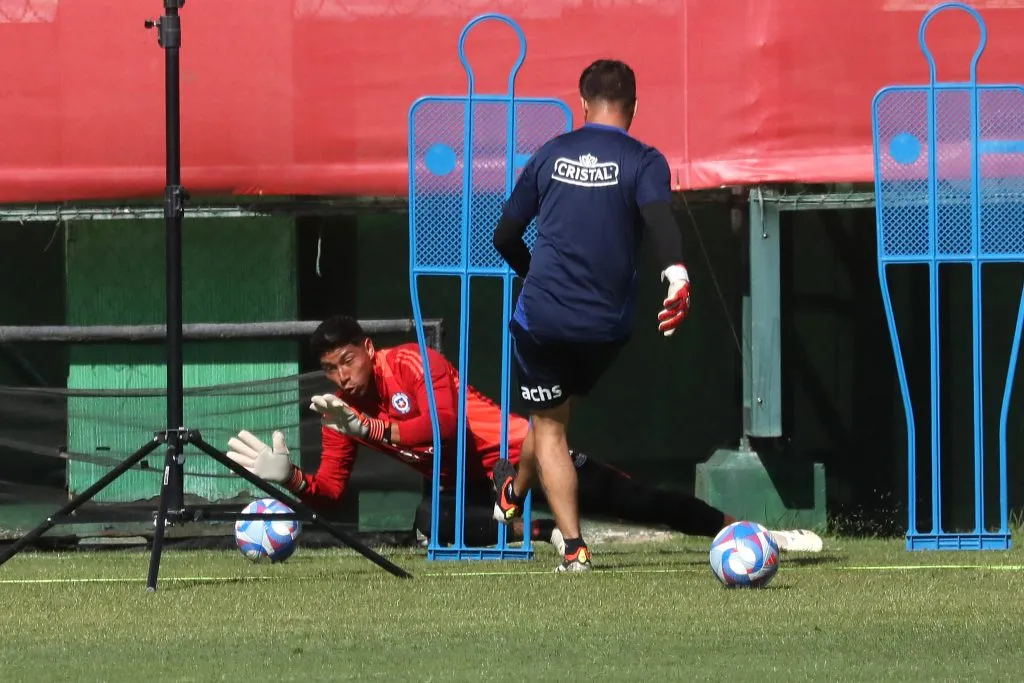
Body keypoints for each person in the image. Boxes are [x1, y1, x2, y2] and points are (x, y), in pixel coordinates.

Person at [226, 316, 823, 557]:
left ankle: (751, 534)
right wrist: (292, 482)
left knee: (642, 499)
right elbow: (330, 489)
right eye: (330, 368)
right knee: (435, 519)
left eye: (348, 360)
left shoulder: (409, 363)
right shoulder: (341, 412)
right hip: (473, 485)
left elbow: (442, 425)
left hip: (525, 454)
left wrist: (367, 425)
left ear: (369, 350)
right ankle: (558, 537)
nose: (342, 375)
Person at [490, 59, 693, 571]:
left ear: (582, 103)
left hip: (544, 319)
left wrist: (532, 272)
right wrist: (676, 273)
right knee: (552, 415)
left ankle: (574, 547)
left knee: (550, 427)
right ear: (635, 106)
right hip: (606, 328)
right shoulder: (645, 160)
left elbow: (504, 236)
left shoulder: (550, 153)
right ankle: (513, 490)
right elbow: (659, 218)